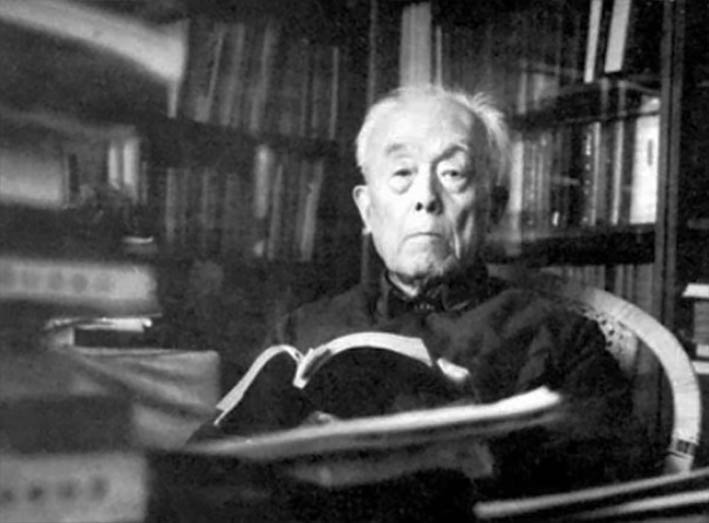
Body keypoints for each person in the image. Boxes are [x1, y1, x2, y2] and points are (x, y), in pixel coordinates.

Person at [192, 85, 657, 522]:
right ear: (367, 209)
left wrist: (483, 451)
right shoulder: (301, 331)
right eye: (402, 174)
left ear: (493, 207)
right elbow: (208, 474)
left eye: (453, 174)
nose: (426, 199)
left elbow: (613, 480)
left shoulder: (562, 336)